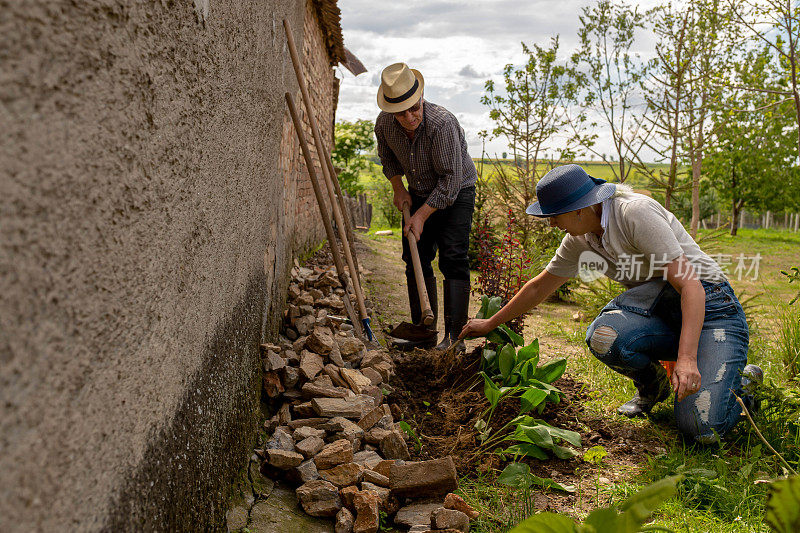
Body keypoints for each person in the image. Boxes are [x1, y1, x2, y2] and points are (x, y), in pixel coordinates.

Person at [459, 164, 761, 444]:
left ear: (580, 209)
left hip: (711, 309)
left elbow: (691, 286)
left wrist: (686, 358)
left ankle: (745, 381)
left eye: (555, 215)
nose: (551, 223)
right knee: (604, 337)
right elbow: (539, 288)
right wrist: (490, 323)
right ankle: (653, 387)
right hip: (663, 312)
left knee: (701, 428)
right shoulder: (581, 237)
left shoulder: (634, 213)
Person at [375, 62, 478, 352]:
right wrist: (398, 188)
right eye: (400, 112)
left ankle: (454, 339)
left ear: (422, 97)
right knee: (415, 256)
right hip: (418, 190)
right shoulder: (384, 124)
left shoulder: (442, 124)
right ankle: (424, 332)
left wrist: (421, 215)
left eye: (414, 108)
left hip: (456, 192)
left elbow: (450, 181)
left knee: (453, 257)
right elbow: (388, 158)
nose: (409, 118)